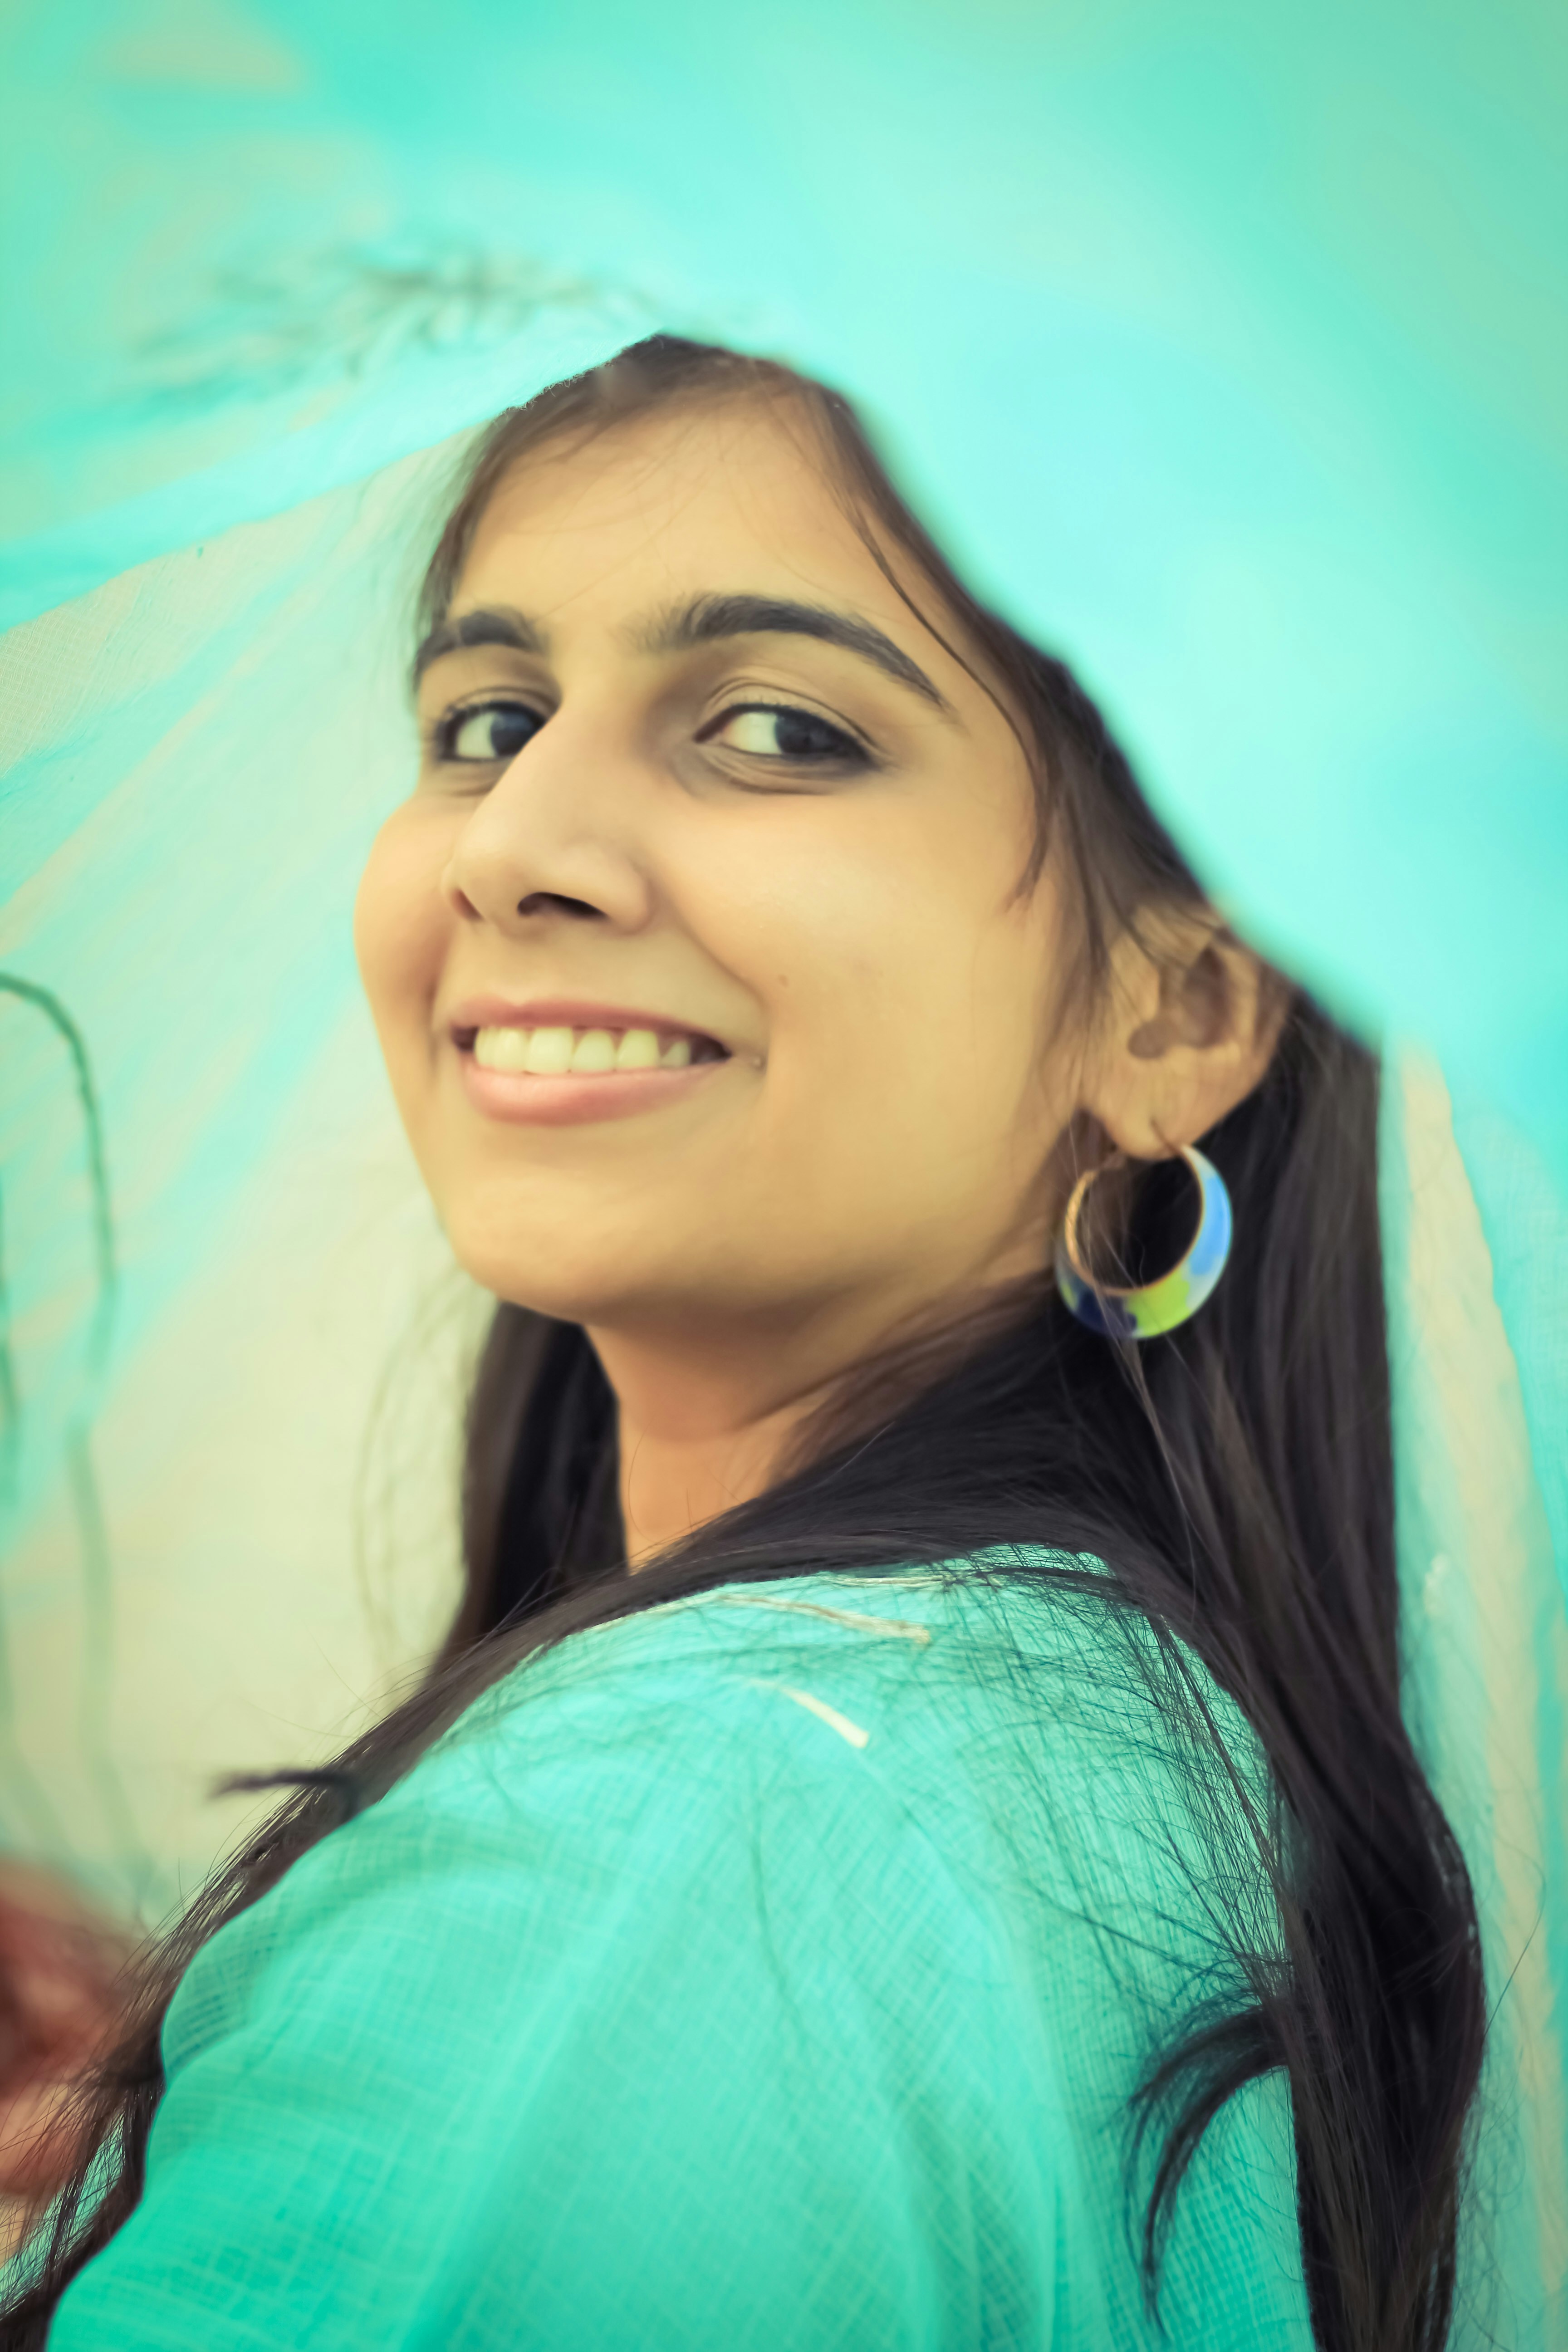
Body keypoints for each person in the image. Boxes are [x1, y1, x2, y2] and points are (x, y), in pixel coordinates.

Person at [0, 338, 1485, 2350]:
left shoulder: (691, 1837)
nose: (512, 841)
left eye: (776, 730)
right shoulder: (1109, 1726)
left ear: (1175, 1017)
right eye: (488, 716)